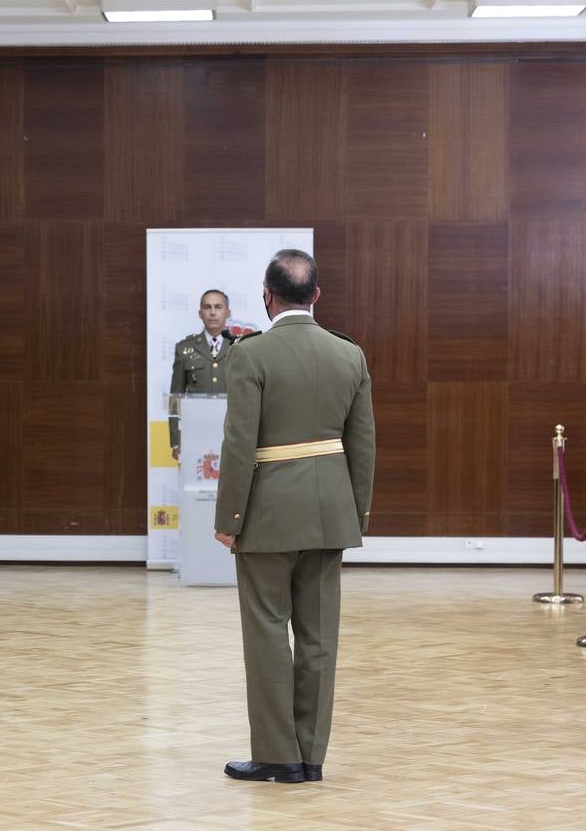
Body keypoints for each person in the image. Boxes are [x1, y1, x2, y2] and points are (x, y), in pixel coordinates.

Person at [214, 250, 374, 784]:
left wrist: (230, 516)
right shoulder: (348, 355)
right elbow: (362, 444)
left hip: (267, 513)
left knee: (265, 632)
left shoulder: (250, 355)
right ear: (317, 296)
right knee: (319, 638)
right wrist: (357, 514)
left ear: (267, 294)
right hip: (331, 512)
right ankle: (311, 756)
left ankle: (277, 755)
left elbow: (239, 443)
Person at [169, 289, 235, 461]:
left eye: (218, 307)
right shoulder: (185, 349)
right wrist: (176, 442)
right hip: (195, 432)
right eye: (207, 307)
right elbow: (175, 398)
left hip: (230, 432)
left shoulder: (240, 347)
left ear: (227, 312)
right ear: (200, 313)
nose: (213, 312)